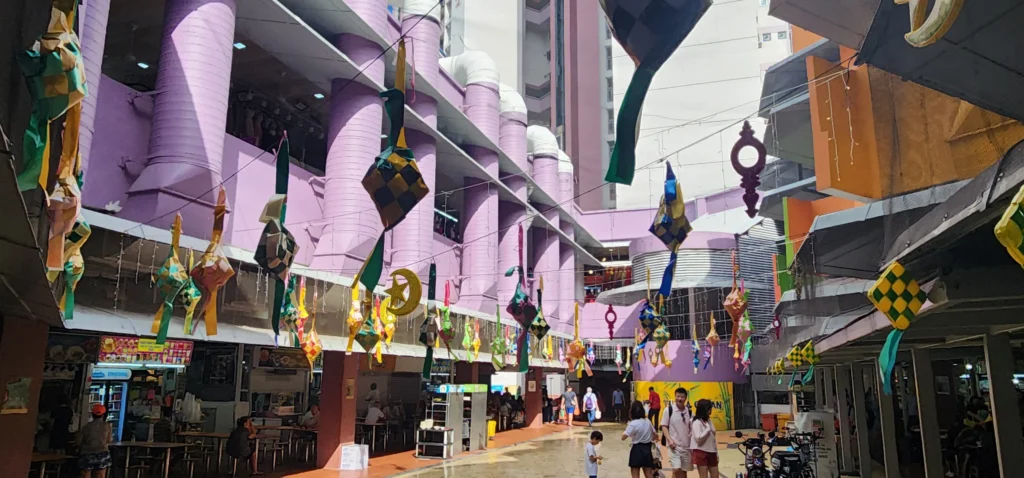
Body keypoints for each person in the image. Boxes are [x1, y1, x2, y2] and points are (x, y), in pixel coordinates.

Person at [660, 387, 693, 478]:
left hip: (686, 447)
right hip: (674, 446)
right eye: (678, 396)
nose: (680, 399)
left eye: (682, 397)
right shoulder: (668, 410)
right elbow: (664, 426)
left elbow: (692, 429)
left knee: (683, 471)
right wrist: (669, 440)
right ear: (675, 397)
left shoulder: (689, 412)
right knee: (676, 469)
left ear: (685, 398)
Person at [622, 401, 658, 478]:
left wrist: (628, 428)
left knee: (635, 474)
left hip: (636, 450)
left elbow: (623, 437)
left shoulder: (633, 423)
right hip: (647, 449)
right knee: (649, 474)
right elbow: (655, 435)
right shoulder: (648, 421)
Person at [77, 404, 112, 478]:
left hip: (87, 454)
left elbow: (78, 442)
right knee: (100, 475)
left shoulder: (86, 427)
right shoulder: (107, 426)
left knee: (86, 475)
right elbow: (109, 440)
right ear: (103, 415)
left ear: (92, 414)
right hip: (102, 453)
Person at [690, 399, 719, 478]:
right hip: (701, 451)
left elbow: (713, 439)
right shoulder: (696, 422)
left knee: (715, 475)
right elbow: (698, 439)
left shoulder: (709, 420)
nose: (710, 410)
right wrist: (707, 429)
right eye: (709, 408)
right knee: (703, 476)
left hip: (712, 451)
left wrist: (716, 453)